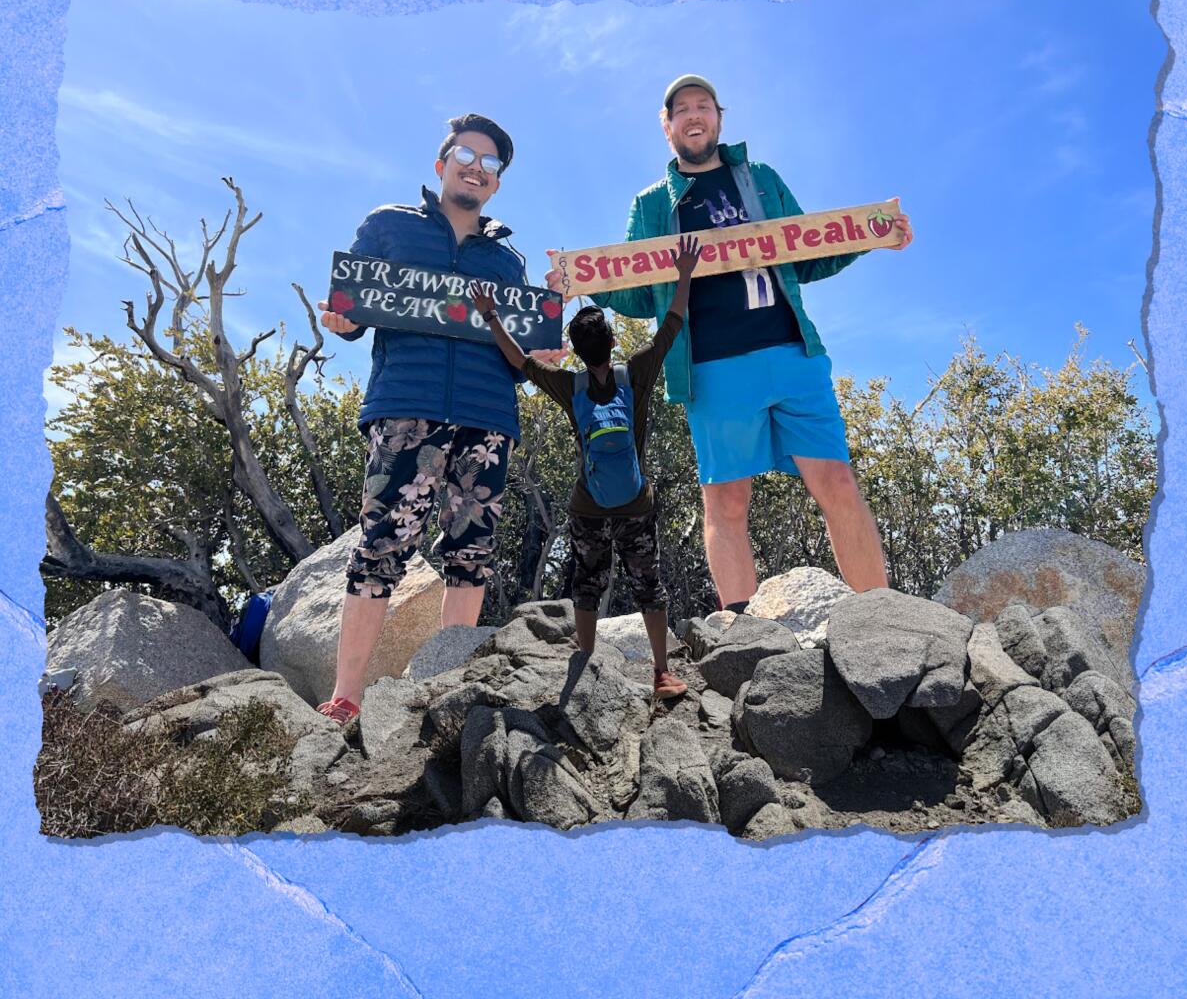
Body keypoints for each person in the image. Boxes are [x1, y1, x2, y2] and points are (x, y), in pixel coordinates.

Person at [546, 75, 914, 613]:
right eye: (681, 110)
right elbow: (640, 295)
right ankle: (743, 639)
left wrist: (869, 237)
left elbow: (808, 251)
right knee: (725, 497)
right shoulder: (650, 204)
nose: (693, 117)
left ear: (720, 117)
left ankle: (883, 617)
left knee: (835, 479)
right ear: (666, 126)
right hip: (710, 366)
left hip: (793, 354)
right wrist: (582, 282)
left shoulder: (759, 178)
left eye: (703, 107)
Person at [315, 113, 549, 725]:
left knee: (471, 552)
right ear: (441, 162)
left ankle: (447, 692)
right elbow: (356, 307)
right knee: (381, 546)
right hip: (406, 410)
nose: (478, 167)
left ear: (497, 183)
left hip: (489, 415)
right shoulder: (388, 226)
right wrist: (342, 320)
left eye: (491, 163)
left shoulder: (508, 260)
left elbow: (519, 354)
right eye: (467, 155)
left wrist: (543, 353)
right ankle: (346, 697)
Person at [468, 234, 702, 697]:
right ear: (613, 342)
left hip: (587, 506)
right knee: (649, 586)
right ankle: (661, 674)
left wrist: (491, 315)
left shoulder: (567, 386)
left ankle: (586, 666)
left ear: (575, 350)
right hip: (636, 503)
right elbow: (672, 325)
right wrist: (684, 274)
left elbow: (518, 360)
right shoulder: (635, 373)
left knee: (587, 584)